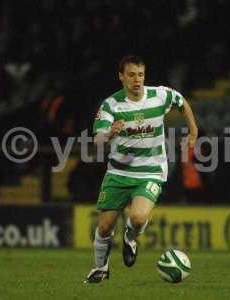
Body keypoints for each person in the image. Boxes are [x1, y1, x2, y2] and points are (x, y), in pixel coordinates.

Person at [84, 55, 198, 283]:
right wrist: (108, 134)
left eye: (141, 75)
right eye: (131, 75)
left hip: (150, 171)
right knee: (105, 227)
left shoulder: (159, 95)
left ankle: (130, 235)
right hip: (118, 173)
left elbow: (181, 101)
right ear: (121, 76)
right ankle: (100, 268)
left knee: (137, 217)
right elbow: (96, 139)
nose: (137, 80)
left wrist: (193, 131)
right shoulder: (110, 104)